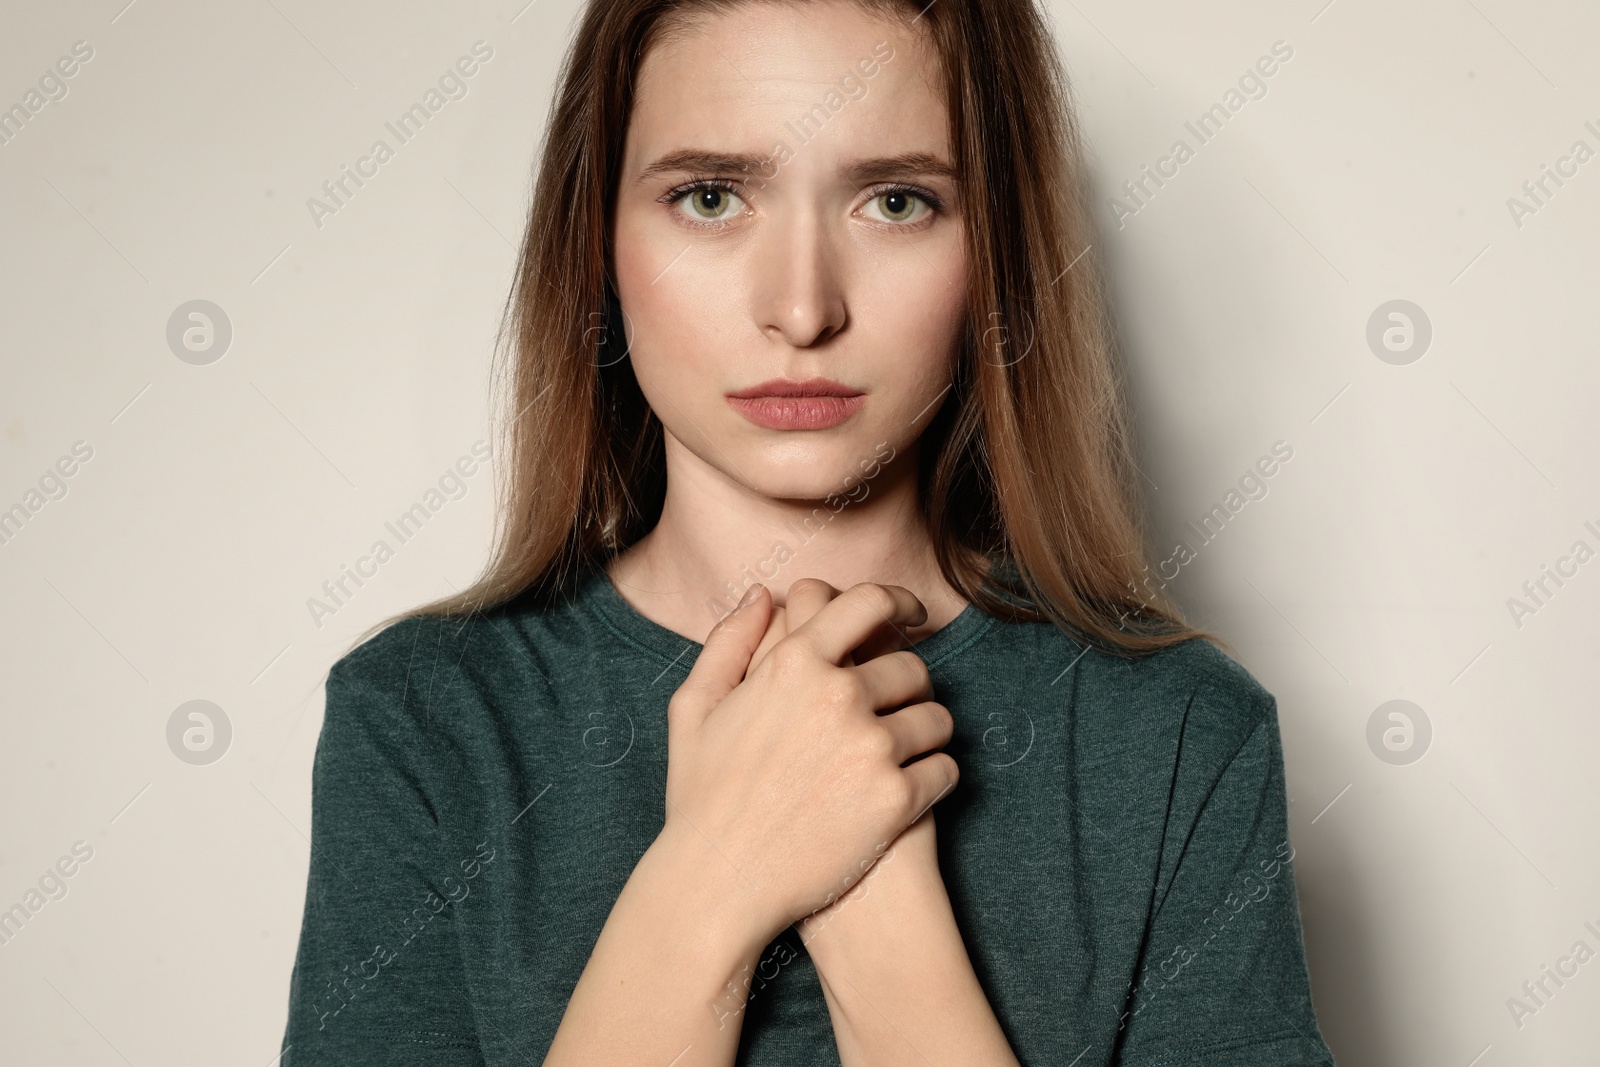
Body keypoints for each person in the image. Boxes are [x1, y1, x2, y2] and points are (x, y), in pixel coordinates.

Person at [278, 0, 1338, 1063]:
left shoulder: (1180, 731)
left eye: (894, 200)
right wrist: (708, 884)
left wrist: (879, 910)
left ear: (997, 256)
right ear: (595, 241)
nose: (800, 306)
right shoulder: (423, 721)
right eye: (709, 196)